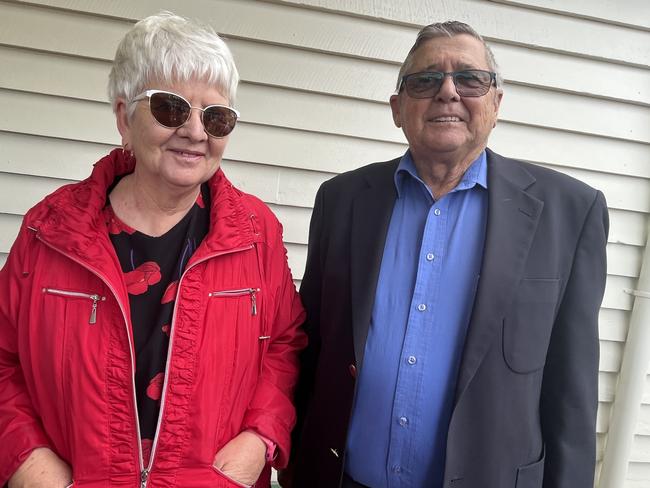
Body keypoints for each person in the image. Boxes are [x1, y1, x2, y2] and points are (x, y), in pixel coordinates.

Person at [282, 21, 608, 488]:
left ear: (496, 104)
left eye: (470, 79)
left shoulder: (569, 213)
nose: (448, 92)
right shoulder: (342, 200)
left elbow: (573, 396)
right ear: (398, 109)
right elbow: (312, 350)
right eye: (425, 80)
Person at [0, 12, 306, 488]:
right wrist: (25, 458)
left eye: (216, 116)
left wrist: (258, 438)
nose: (195, 131)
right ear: (124, 116)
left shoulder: (255, 232)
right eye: (171, 108)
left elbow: (284, 345)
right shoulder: (49, 230)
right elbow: (3, 359)